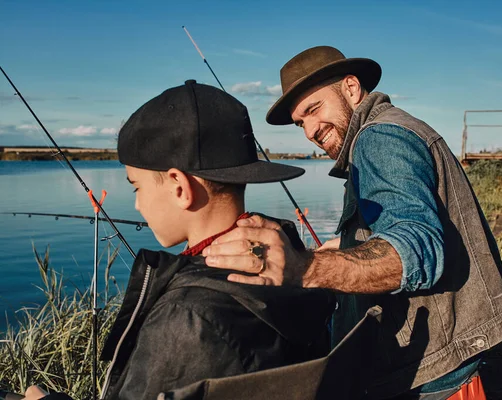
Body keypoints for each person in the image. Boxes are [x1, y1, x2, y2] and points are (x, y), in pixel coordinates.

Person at [200, 46, 502, 399]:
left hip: (430, 374)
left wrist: (305, 268)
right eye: (300, 122)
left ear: (351, 88)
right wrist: (349, 248)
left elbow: (415, 249)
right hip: (443, 357)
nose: (309, 132)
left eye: (314, 109)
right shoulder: (393, 127)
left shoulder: (378, 139)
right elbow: (405, 222)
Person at [22, 80, 335, 400]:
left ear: (179, 188)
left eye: (136, 187)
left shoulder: (188, 315)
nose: (137, 204)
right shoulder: (292, 262)